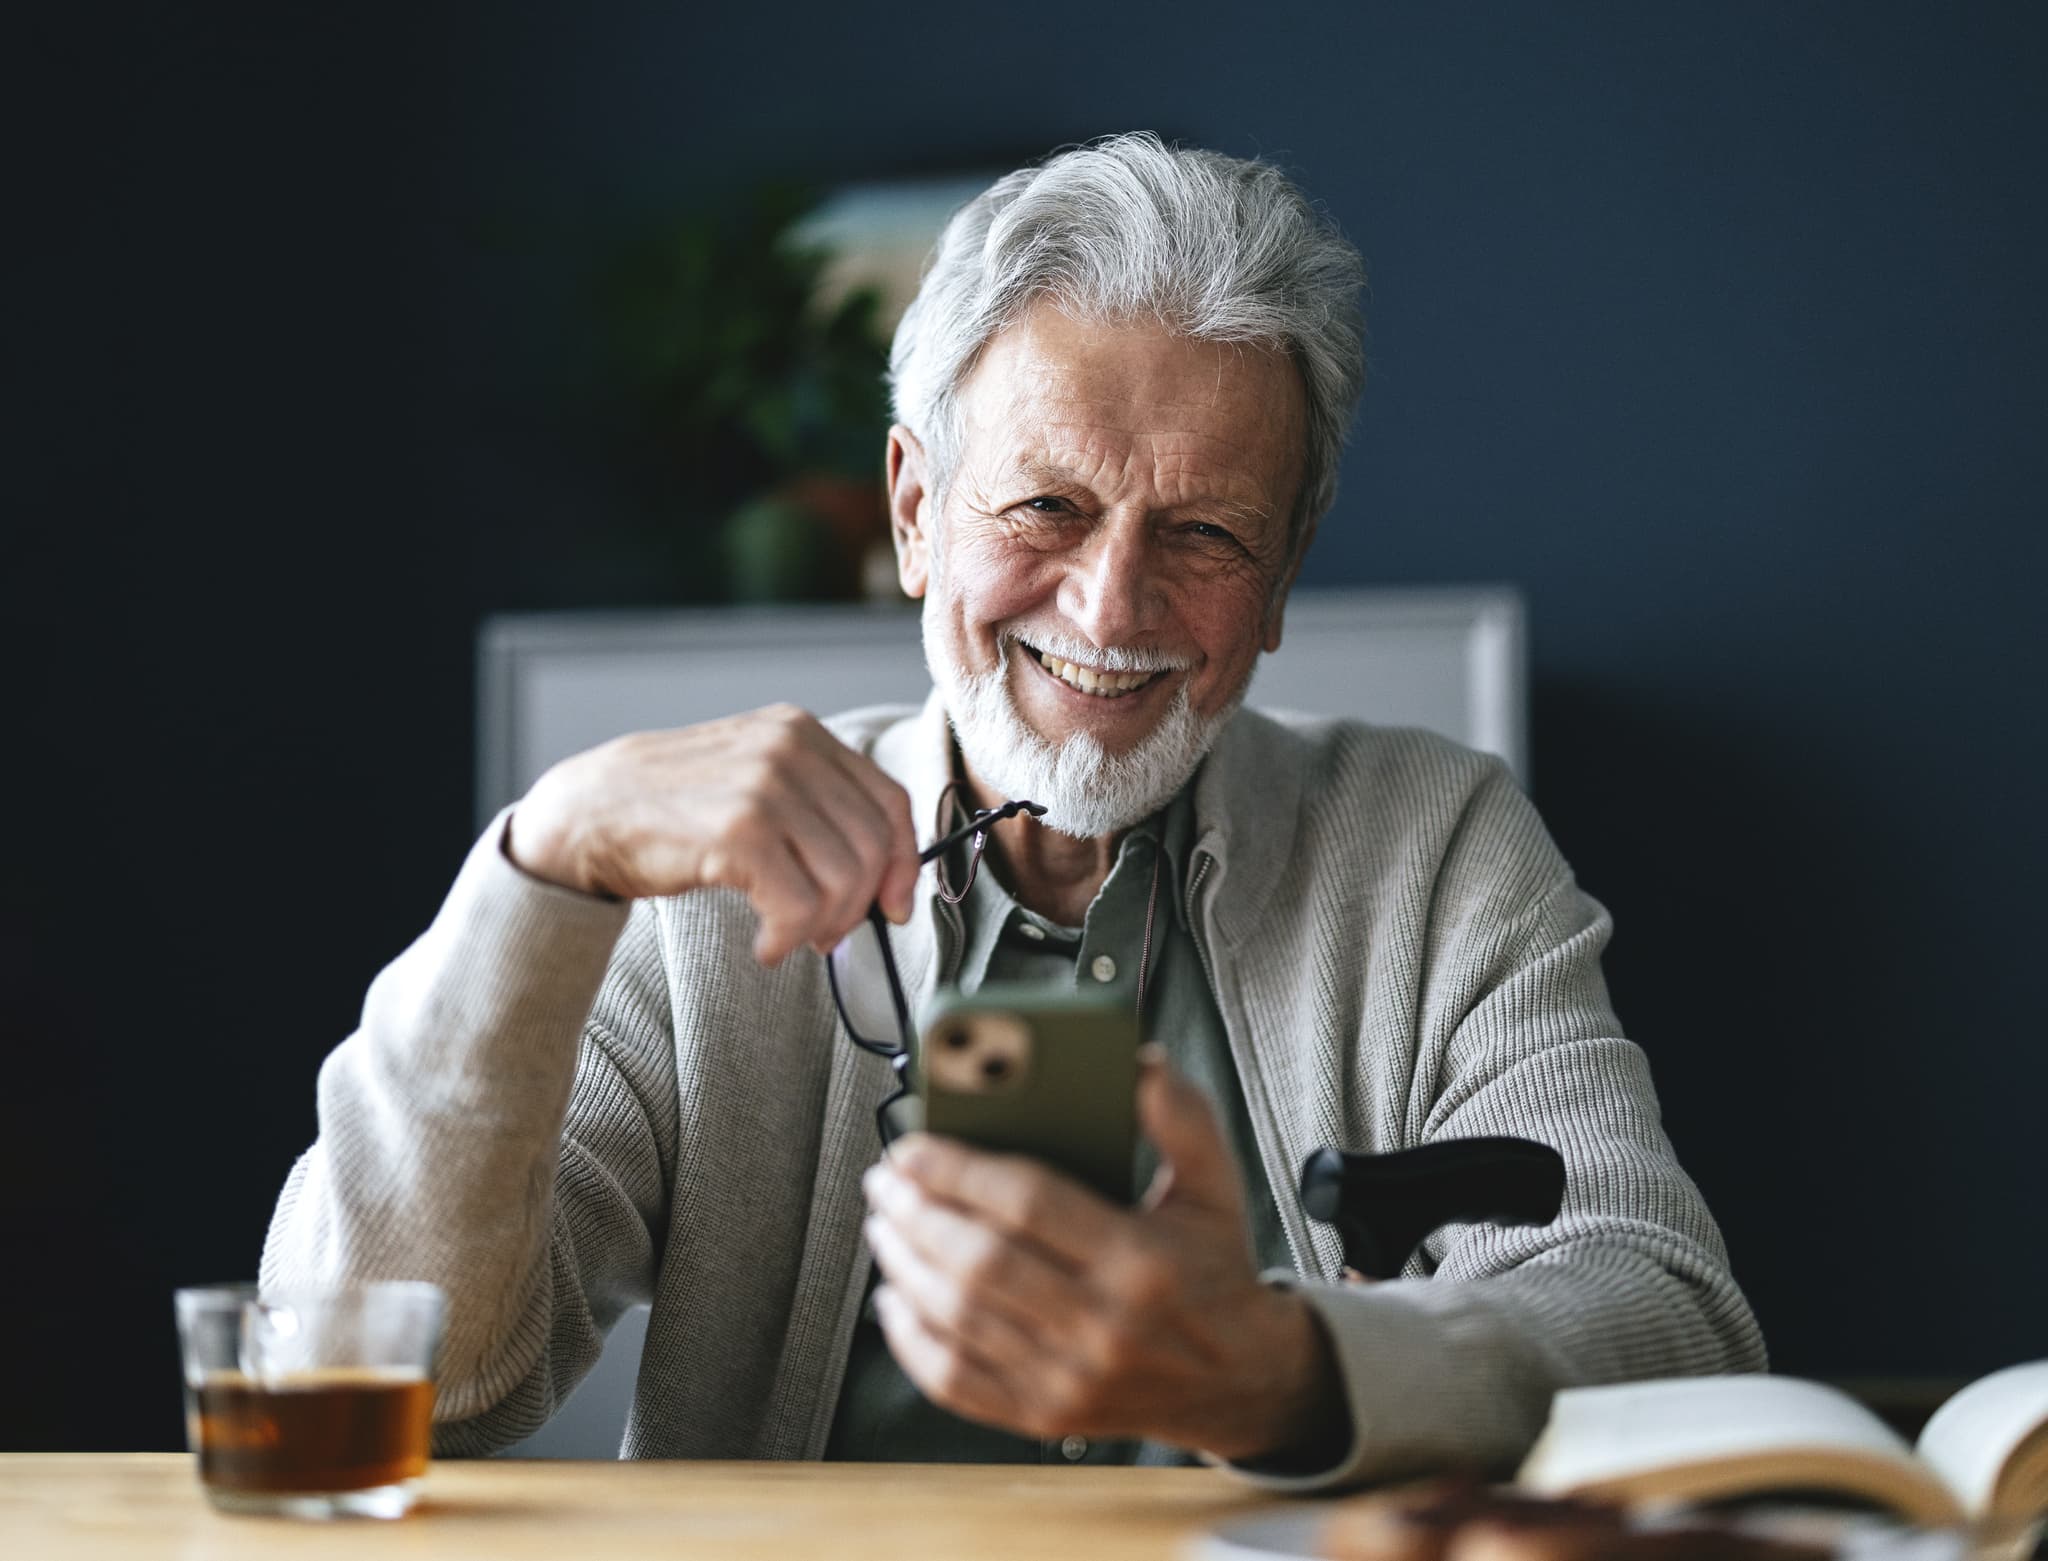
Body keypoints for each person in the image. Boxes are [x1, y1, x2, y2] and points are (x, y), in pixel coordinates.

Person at [261, 133, 1764, 1487]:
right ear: (916, 512)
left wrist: (1275, 1373)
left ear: (1282, 579)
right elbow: (364, 1378)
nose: (1111, 608)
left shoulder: (1433, 843)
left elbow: (1670, 1318)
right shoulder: (700, 890)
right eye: (1047, 507)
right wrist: (540, 869)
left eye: (1207, 531)